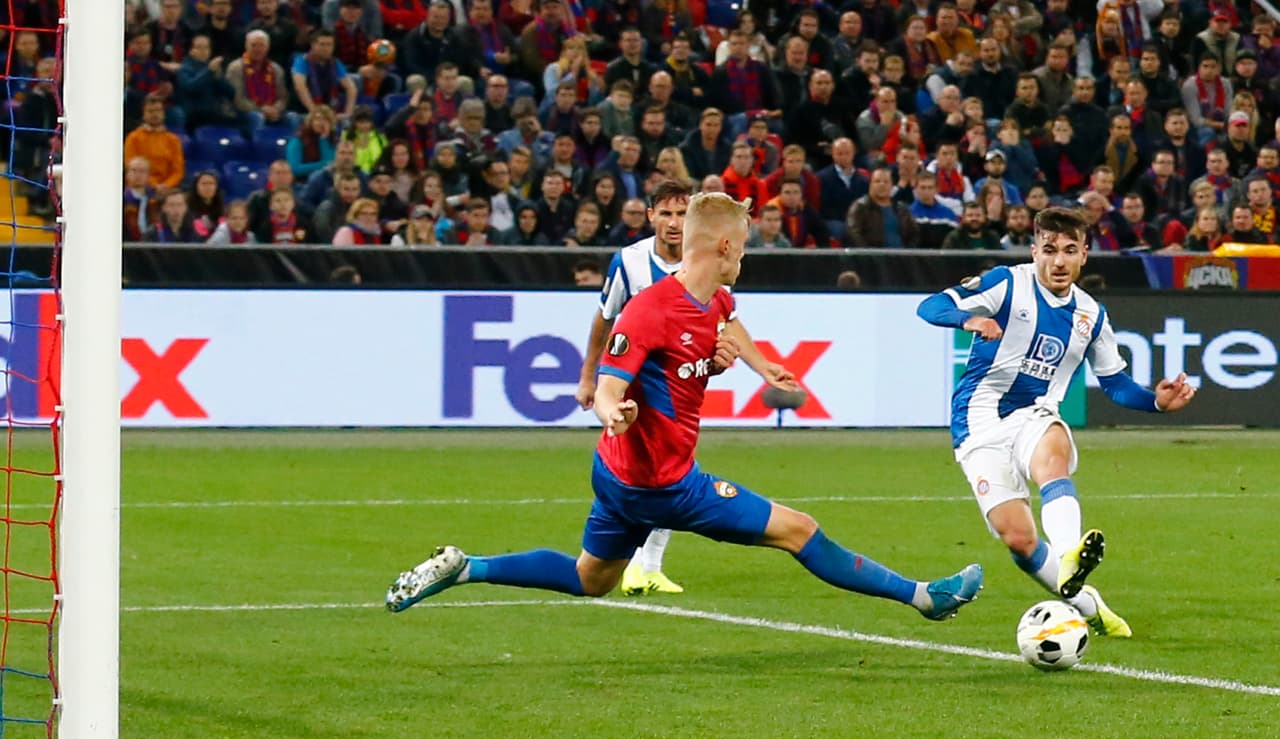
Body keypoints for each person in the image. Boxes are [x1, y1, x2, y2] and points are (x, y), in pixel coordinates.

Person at [387, 191, 984, 618]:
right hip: (663, 483)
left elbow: (712, 338)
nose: (745, 257)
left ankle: (466, 567)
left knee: (590, 578)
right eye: (744, 246)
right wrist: (610, 408)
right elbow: (610, 386)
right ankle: (924, 597)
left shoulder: (715, 301)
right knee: (799, 530)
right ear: (724, 245)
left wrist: (750, 364)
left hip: (618, 474)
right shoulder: (648, 309)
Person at [915, 206, 1198, 638]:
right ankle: (1092, 607)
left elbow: (1115, 383)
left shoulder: (1091, 315)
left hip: (1036, 415)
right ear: (1034, 251)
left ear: (1085, 255)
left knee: (1052, 454)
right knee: (1020, 541)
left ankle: (1070, 552)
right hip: (978, 421)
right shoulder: (1007, 283)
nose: (1059, 261)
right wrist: (968, 319)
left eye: (1070, 250)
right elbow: (931, 307)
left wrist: (1155, 403)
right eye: (1049, 250)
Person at [573, 179, 797, 596]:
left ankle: (647, 566)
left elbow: (722, 321)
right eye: (667, 213)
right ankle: (639, 565)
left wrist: (754, 365)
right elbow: (606, 319)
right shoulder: (630, 263)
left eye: (682, 213)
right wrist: (591, 378)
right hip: (631, 388)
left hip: (676, 386)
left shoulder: (715, 262)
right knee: (660, 476)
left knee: (671, 468)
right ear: (652, 216)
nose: (674, 223)